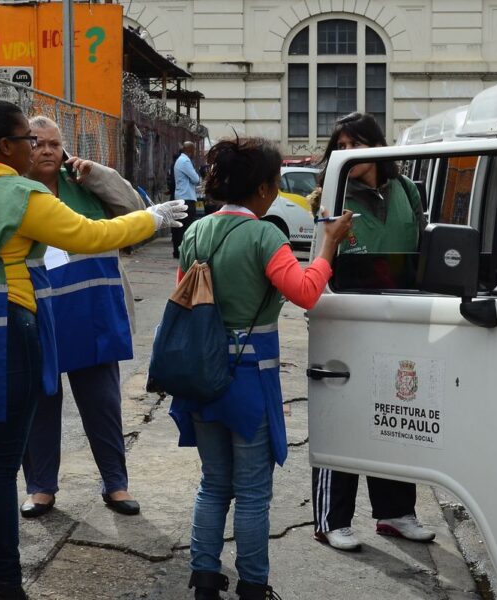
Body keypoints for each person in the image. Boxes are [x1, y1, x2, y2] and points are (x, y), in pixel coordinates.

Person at [0, 100, 187, 600]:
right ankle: (5, 584)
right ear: (4, 147)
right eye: (27, 141)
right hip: (3, 328)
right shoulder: (20, 194)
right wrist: (151, 219)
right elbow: (89, 234)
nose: (35, 149)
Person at [170, 137, 353, 600]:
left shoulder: (195, 232)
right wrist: (327, 246)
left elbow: (187, 297)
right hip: (249, 378)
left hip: (200, 375)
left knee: (213, 484)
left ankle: (205, 579)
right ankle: (253, 585)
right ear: (267, 188)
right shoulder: (266, 235)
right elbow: (305, 291)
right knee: (252, 492)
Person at [310, 112, 434, 552]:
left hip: (401, 317)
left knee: (398, 417)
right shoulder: (332, 193)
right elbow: (321, 256)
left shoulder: (406, 190)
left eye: (355, 145)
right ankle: (331, 518)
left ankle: (395, 512)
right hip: (347, 318)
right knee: (342, 415)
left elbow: (423, 243)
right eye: (339, 146)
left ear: (378, 147)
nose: (347, 154)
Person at [19, 116, 143, 519]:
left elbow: (136, 214)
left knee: (103, 405)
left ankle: (116, 483)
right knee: (40, 403)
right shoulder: (17, 192)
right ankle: (40, 488)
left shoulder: (84, 186)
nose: (48, 151)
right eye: (38, 143)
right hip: (40, 314)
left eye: (56, 144)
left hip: (92, 315)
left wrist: (99, 176)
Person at [172, 141, 201, 258]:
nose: (194, 153)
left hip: (180, 197)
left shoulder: (180, 160)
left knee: (179, 226)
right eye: (194, 150)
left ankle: (177, 251)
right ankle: (181, 251)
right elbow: (196, 179)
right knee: (186, 227)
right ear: (190, 150)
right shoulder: (185, 161)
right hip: (186, 198)